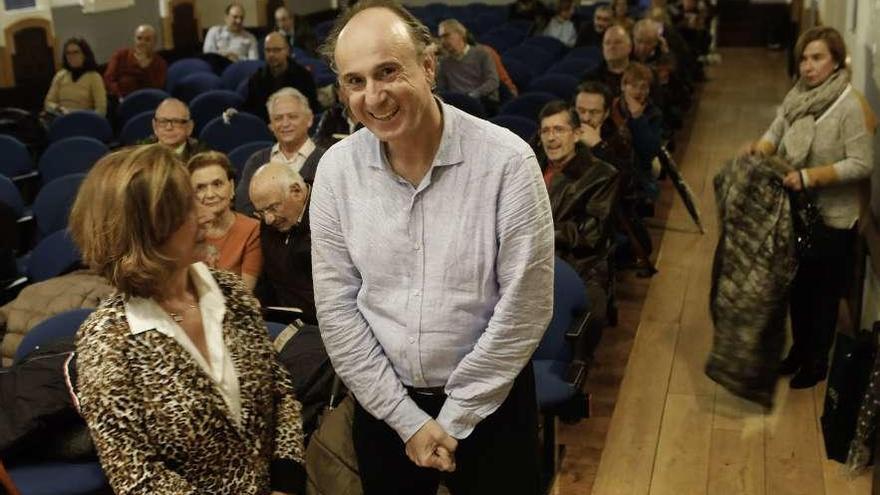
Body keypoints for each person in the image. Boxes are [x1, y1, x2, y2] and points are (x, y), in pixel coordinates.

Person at [313, 1, 555, 493]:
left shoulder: (507, 162)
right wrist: (406, 420)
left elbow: (525, 306)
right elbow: (337, 309)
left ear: (428, 66)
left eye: (387, 72)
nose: (374, 97)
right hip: (384, 406)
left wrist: (456, 415)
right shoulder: (336, 171)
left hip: (493, 404)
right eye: (355, 81)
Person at [69, 144, 306, 495]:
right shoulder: (108, 341)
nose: (204, 213)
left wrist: (287, 480)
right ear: (148, 232)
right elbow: (138, 477)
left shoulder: (229, 291)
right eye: (185, 206)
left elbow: (280, 392)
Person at [747, 27, 874, 388]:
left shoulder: (850, 104)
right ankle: (799, 350)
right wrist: (760, 150)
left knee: (823, 294)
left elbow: (862, 163)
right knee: (797, 287)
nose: (808, 66)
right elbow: (777, 129)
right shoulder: (799, 95)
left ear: (836, 61)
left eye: (817, 57)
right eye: (804, 57)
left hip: (834, 217)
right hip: (798, 212)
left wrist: (809, 177)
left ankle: (817, 361)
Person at [538, 100, 619, 327]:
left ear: (576, 134)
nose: (551, 137)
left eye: (559, 130)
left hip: (578, 263)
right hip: (530, 254)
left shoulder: (602, 175)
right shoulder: (531, 165)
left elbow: (590, 235)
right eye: (545, 131)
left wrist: (538, 232)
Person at [236, 87, 326, 215]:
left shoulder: (326, 160)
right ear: (271, 125)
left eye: (292, 116)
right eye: (278, 118)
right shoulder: (257, 161)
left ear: (310, 119)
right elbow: (243, 207)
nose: (285, 123)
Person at [249, 162, 316, 325]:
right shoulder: (269, 223)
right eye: (261, 212)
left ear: (296, 191)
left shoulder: (331, 213)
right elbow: (269, 278)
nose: (268, 219)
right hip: (283, 322)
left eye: (273, 208)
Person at [187, 151, 262, 291]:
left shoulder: (252, 230)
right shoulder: (182, 234)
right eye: (200, 187)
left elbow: (244, 294)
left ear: (232, 187)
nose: (210, 194)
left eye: (217, 184)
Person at [611, 62, 663, 204]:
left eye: (644, 87)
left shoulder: (654, 114)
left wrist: (638, 119)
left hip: (638, 170)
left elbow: (649, 153)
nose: (639, 92)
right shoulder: (611, 108)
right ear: (623, 86)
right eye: (633, 86)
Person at [244, 32, 320, 122]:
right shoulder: (256, 78)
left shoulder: (303, 76)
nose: (271, 54)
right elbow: (250, 109)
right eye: (268, 50)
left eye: (276, 50)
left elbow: (312, 109)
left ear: (287, 51)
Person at [436, 19, 500, 111]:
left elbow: (493, 81)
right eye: (440, 37)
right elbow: (442, 90)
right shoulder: (443, 62)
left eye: (446, 36)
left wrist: (472, 95)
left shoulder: (482, 53)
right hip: (457, 105)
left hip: (481, 100)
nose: (442, 41)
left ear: (461, 34)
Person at [44, 37, 107, 117]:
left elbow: (101, 110)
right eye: (68, 53)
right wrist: (58, 109)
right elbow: (48, 103)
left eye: (75, 52)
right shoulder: (60, 75)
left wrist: (76, 114)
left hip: (84, 120)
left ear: (84, 54)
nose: (71, 56)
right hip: (61, 118)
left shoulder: (94, 77)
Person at [103, 25, 167, 99]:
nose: (142, 43)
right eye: (139, 38)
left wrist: (145, 68)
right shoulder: (121, 55)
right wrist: (119, 95)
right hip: (121, 99)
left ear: (154, 43)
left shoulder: (160, 63)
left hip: (147, 100)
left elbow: (158, 89)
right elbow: (108, 79)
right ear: (134, 39)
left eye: (147, 40)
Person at [582, 24, 632, 98]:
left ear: (629, 47)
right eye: (607, 43)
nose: (612, 47)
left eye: (617, 42)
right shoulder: (590, 78)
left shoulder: (643, 75)